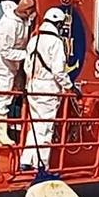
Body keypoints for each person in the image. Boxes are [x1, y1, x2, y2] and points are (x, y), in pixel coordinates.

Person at [20, 17, 77, 170]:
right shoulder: (56, 42)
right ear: (58, 24)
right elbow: (59, 71)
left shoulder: (34, 40)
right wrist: (70, 86)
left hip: (33, 85)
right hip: (48, 87)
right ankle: (42, 165)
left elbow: (26, 66)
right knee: (45, 127)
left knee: (35, 125)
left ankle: (26, 159)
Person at [0, 0, 35, 145]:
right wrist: (26, 55)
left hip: (15, 63)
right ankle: (1, 132)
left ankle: (4, 128)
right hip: (3, 64)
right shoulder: (8, 25)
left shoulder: (22, 19)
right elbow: (4, 50)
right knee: (3, 95)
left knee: (11, 94)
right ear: (25, 11)